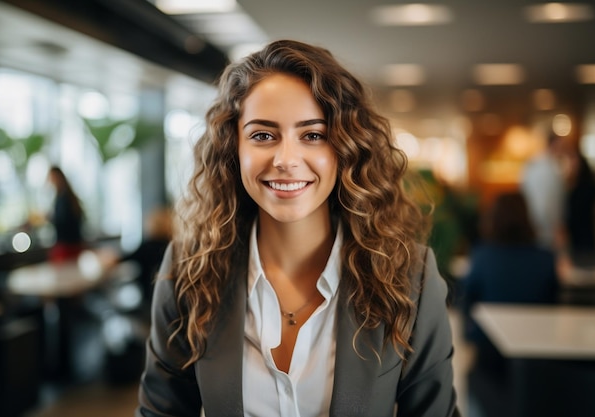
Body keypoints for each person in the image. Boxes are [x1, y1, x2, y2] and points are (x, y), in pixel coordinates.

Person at [137, 40, 459, 417]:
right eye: (262, 135)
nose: (286, 160)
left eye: (312, 135)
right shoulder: (187, 272)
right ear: (233, 148)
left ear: (344, 148)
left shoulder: (410, 277)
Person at [462, 192, 559, 369]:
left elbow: (468, 300)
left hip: (490, 350)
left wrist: (468, 336)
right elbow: (552, 303)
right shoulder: (547, 258)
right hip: (538, 353)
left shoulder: (482, 257)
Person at [520, 132, 567, 251]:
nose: (563, 152)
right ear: (554, 145)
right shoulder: (549, 169)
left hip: (533, 223)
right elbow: (548, 202)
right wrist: (556, 227)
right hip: (545, 227)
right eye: (562, 147)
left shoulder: (533, 164)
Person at [46, 166, 85, 262]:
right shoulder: (70, 196)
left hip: (66, 247)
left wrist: (49, 218)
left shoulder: (62, 198)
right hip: (76, 244)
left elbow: (62, 221)